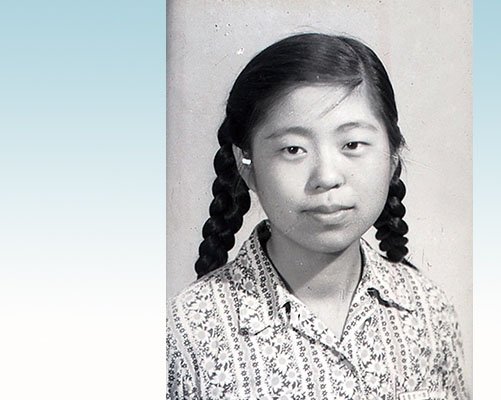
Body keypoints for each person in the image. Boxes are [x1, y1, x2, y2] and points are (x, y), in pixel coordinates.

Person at [167, 33, 468, 400]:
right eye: (293, 149)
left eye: (352, 144)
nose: (326, 176)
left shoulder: (429, 311)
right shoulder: (185, 332)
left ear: (392, 156)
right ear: (246, 166)